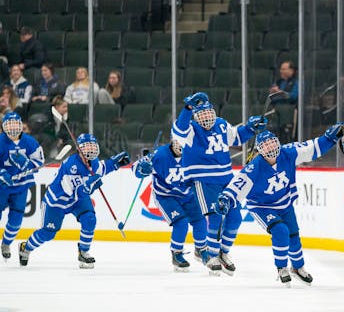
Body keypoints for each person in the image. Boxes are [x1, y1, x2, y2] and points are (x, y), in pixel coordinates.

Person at [215, 124, 344, 286]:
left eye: (272, 143)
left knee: (293, 236)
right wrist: (225, 199)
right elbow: (236, 187)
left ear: (278, 143)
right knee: (280, 231)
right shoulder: (253, 168)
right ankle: (281, 268)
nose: (270, 147)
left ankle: (298, 268)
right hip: (262, 207)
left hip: (285, 204)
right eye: (265, 145)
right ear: (260, 149)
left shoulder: (288, 152)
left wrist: (330, 138)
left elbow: (312, 148)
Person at [172, 92, 267, 275]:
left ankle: (223, 252)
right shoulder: (190, 129)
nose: (207, 118)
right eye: (202, 114)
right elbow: (178, 131)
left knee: (235, 217)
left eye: (209, 113)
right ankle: (211, 255)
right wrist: (187, 109)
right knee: (215, 216)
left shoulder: (222, 124)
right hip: (203, 180)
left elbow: (237, 137)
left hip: (225, 178)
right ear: (196, 116)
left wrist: (251, 128)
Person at [18, 134, 130, 268]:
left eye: (92, 146)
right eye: (87, 147)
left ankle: (83, 252)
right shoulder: (70, 165)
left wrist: (116, 163)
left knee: (90, 219)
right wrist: (88, 186)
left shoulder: (93, 162)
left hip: (77, 200)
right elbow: (71, 192)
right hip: (57, 202)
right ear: (79, 149)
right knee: (48, 233)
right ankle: (26, 247)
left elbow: (103, 168)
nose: (91, 150)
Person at [133, 139, 216, 273]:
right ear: (173, 141)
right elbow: (136, 168)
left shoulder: (195, 154)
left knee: (200, 220)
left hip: (188, 195)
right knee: (181, 223)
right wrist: (142, 169)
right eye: (180, 141)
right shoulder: (160, 155)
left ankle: (201, 250)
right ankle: (176, 254)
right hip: (166, 196)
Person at [0, 112, 45, 260]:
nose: (12, 128)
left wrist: (27, 164)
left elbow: (39, 162)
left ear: (21, 125)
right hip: (2, 186)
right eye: (9, 124)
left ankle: (6, 243)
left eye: (15, 124)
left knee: (16, 219)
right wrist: (2, 173)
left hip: (21, 186)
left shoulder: (30, 142)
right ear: (4, 126)